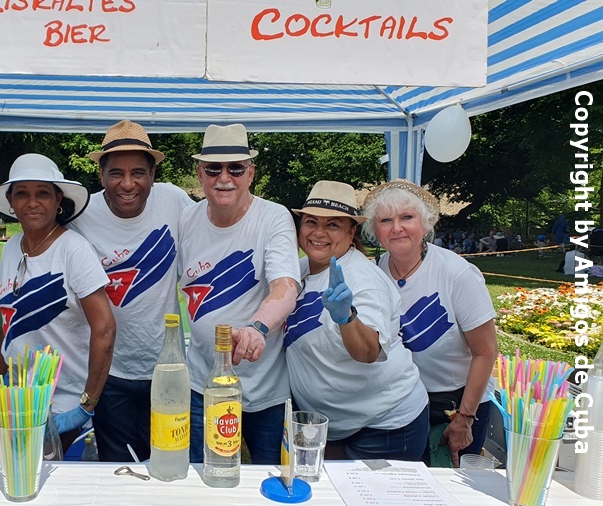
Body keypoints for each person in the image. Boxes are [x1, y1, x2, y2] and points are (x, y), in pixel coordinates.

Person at [0, 154, 116, 450]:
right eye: (22, 193)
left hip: (61, 402)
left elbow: (105, 329)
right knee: (7, 471)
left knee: (39, 475)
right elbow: (12, 316)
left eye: (43, 193)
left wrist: (86, 405)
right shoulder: (12, 247)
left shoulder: (74, 250)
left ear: (58, 199)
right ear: (10, 201)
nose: (32, 202)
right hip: (16, 396)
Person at [68, 120, 194, 462]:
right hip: (109, 371)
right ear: (101, 175)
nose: (127, 184)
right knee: (117, 467)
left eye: (138, 172)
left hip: (166, 368)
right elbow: (41, 259)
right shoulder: (81, 215)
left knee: (168, 461)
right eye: (116, 173)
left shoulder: (174, 201)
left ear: (153, 174)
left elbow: (214, 237)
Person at [177, 124, 301, 465]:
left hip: (263, 387)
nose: (224, 178)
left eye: (235, 168)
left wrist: (256, 329)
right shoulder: (187, 219)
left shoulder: (273, 217)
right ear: (200, 174)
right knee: (202, 473)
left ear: (251, 173)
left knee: (271, 476)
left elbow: (285, 286)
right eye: (213, 169)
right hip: (202, 383)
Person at [285, 180, 429, 461]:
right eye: (311, 222)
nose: (319, 232)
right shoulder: (299, 270)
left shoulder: (362, 277)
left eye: (333, 225)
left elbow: (368, 352)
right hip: (334, 426)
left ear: (351, 233)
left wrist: (347, 317)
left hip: (386, 426)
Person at [362, 179, 497, 467]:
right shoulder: (373, 273)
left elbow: (486, 351)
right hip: (403, 406)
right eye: (385, 220)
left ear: (426, 224)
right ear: (375, 231)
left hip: (458, 405)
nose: (397, 228)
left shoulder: (457, 274)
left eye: (407, 217)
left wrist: (464, 418)